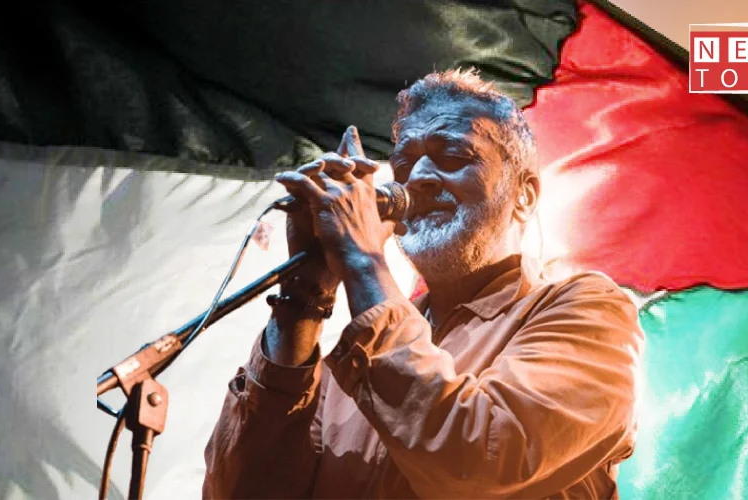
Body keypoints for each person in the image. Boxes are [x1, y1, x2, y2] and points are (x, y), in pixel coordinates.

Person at [202, 69, 644, 499]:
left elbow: (485, 459)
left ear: (524, 196)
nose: (418, 179)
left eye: (452, 157)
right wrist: (303, 297)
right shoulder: (355, 357)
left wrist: (362, 260)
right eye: (403, 163)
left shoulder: (590, 311)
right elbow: (239, 492)